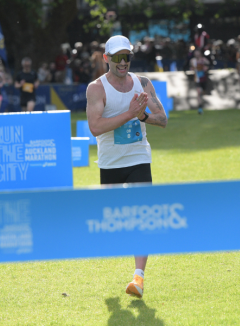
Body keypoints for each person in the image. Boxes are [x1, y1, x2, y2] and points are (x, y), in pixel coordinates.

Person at [86, 35, 167, 298]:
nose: (124, 63)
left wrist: (142, 115)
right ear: (106, 58)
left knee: (142, 216)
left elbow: (162, 120)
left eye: (128, 57)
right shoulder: (96, 89)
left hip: (138, 158)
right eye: (118, 57)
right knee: (111, 220)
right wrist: (129, 114)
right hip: (110, 162)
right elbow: (96, 127)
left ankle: (138, 278)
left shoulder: (142, 83)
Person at [189, 49, 210, 114]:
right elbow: (190, 68)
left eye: (198, 53)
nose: (197, 54)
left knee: (203, 93)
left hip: (204, 79)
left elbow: (208, 66)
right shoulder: (192, 61)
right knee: (199, 92)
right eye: (196, 53)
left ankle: (202, 105)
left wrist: (206, 68)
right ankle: (200, 108)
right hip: (197, 79)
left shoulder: (204, 60)